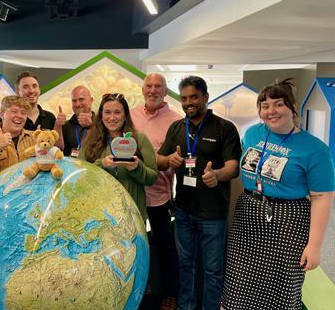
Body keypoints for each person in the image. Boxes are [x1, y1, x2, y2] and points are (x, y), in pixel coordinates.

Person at [220, 79, 335, 310]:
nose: (271, 110)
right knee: (239, 279)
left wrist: (314, 246)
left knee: (281, 284)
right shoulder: (252, 134)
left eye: (278, 104)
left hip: (288, 221)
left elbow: (322, 198)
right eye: (265, 105)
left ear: (292, 107)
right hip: (249, 215)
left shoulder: (314, 149)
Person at [157, 76, 241, 310]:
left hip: (213, 213)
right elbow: (159, 160)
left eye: (194, 97)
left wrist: (217, 175)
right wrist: (169, 159)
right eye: (184, 98)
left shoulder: (224, 128)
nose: (188, 102)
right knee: (186, 265)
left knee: (213, 269)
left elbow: (233, 167)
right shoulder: (176, 127)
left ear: (205, 96)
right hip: (184, 210)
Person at [131, 73, 181, 303]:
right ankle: (137, 292)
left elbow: (175, 158)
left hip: (159, 197)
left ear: (165, 91)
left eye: (157, 86)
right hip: (131, 196)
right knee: (134, 248)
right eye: (148, 86)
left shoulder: (176, 120)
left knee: (164, 248)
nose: (152, 90)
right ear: (143, 89)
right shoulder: (131, 115)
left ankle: (169, 295)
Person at [79, 93, 158, 222]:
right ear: (101, 115)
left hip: (132, 215)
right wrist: (101, 164)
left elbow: (152, 177)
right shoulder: (90, 140)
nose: (112, 117)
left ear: (125, 115)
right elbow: (80, 174)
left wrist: (137, 168)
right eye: (107, 112)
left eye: (117, 112)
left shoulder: (140, 139)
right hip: (100, 215)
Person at [62, 85, 94, 157]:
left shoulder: (101, 122)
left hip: (95, 166)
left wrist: (91, 126)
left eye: (81, 99)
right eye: (74, 101)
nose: (77, 104)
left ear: (91, 100)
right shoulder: (66, 126)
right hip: (72, 167)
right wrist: (57, 126)